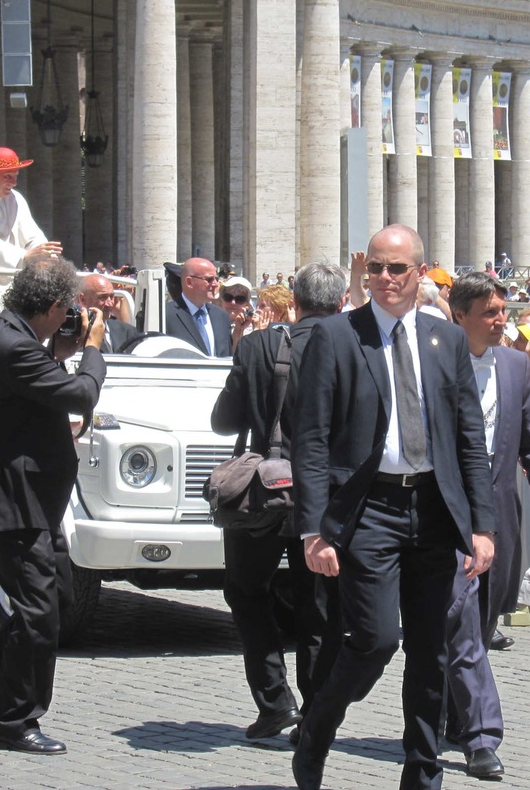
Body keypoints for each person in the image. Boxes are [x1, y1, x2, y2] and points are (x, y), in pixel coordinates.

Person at [290, 224, 495, 790]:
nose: (384, 278)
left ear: (419, 273)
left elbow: (468, 437)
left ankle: (422, 774)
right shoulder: (335, 337)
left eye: (396, 269)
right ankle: (316, 732)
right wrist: (314, 530)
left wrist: (481, 526)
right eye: (375, 268)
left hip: (432, 510)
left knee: (430, 651)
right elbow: (310, 439)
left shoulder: (445, 339)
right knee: (375, 640)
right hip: (368, 511)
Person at [0, 257, 106, 755]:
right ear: (49, 306)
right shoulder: (9, 345)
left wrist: (59, 348)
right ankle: (14, 720)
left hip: (31, 501)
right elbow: (80, 394)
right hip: (11, 503)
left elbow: (36, 379)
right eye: (65, 308)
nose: (69, 315)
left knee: (49, 606)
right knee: (40, 611)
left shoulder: (13, 337)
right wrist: (90, 350)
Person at [210, 264, 346, 742]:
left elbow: (224, 421)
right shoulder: (355, 345)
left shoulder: (257, 346)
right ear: (342, 300)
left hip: (265, 494)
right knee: (319, 606)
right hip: (328, 496)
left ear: (296, 298)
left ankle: (274, 700)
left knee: (247, 592)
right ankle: (314, 713)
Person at [446, 273, 530, 780]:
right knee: (463, 625)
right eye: (490, 313)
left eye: (504, 310)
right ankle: (482, 736)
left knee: (483, 619)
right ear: (460, 317)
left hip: (500, 516)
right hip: (447, 518)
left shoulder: (518, 366)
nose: (502, 321)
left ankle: (448, 717)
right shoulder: (435, 362)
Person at [164, 257, 231, 357]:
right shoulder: (166, 315)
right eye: (209, 279)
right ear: (189, 282)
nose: (215, 284)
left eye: (216, 279)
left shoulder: (221, 316)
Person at [78, 273, 137, 354]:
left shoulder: (128, 332)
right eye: (103, 297)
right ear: (82, 299)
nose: (110, 303)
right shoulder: (73, 335)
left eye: (112, 297)